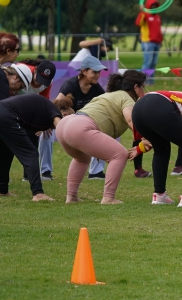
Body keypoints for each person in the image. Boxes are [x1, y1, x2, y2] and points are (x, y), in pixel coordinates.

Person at [56, 70, 148, 204]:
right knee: (119, 154)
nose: (143, 90)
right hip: (80, 126)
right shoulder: (126, 98)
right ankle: (108, 198)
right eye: (142, 86)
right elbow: (130, 120)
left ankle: (71, 197)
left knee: (81, 158)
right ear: (135, 87)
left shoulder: (107, 95)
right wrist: (145, 137)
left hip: (64, 125)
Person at [131, 90, 182, 207]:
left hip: (138, 108)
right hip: (157, 105)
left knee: (161, 149)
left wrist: (139, 148)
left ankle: (159, 195)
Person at [0, 94, 63, 201]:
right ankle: (38, 193)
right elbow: (62, 129)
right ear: (65, 113)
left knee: (4, 153)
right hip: (5, 115)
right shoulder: (54, 111)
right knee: (31, 153)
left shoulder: (44, 108)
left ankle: (2, 190)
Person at [136, 0, 163, 72]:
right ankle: (143, 81)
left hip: (156, 43)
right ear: (149, 6)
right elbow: (138, 23)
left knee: (153, 63)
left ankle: (150, 81)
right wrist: (142, 12)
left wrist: (160, 40)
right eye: (152, 5)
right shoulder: (145, 15)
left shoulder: (158, 17)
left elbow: (159, 30)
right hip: (148, 42)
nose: (154, 6)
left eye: (155, 5)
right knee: (148, 62)